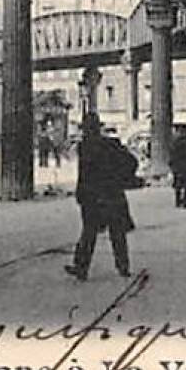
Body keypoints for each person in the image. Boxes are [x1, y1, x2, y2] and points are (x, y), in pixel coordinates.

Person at [65, 113, 136, 281]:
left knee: (89, 233)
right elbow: (132, 162)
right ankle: (123, 266)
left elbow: (84, 175)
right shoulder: (111, 144)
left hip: (91, 195)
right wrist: (121, 178)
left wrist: (80, 194)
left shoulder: (84, 147)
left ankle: (81, 267)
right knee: (116, 233)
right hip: (111, 193)